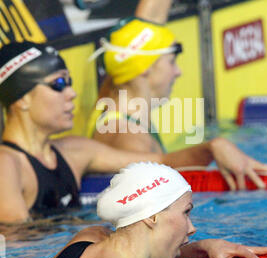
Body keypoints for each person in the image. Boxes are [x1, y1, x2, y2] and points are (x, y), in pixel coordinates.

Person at [88, 0, 267, 191]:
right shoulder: (129, 136)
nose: (178, 71)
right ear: (144, 68)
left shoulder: (121, 104)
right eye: (171, 61)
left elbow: (150, 20)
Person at [0, 41, 196, 225]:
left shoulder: (74, 151)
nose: (72, 93)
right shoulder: (6, 165)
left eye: (70, 82)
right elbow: (18, 247)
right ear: (21, 98)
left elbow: (159, 162)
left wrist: (212, 148)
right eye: (59, 83)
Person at [41, 162, 267, 258]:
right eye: (186, 213)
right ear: (151, 216)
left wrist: (203, 247)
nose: (192, 228)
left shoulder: (90, 237)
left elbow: (139, 245)